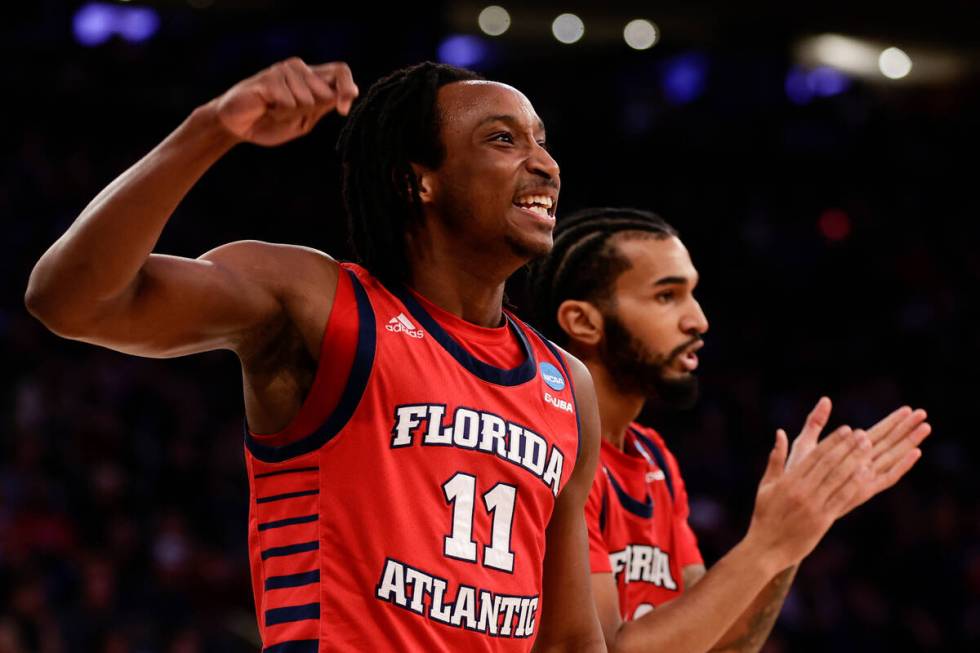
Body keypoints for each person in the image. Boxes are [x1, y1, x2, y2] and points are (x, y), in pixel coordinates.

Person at [25, 58, 606, 652]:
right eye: (504, 139)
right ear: (416, 181)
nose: (546, 164)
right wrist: (213, 128)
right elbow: (71, 301)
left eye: (542, 141)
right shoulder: (319, 304)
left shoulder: (566, 382)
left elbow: (569, 641)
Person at [526, 207, 931, 652]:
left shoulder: (652, 458)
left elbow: (720, 645)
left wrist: (794, 536)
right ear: (583, 321)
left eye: (693, 294)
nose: (698, 320)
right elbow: (605, 649)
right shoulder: (556, 451)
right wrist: (767, 545)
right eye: (667, 296)